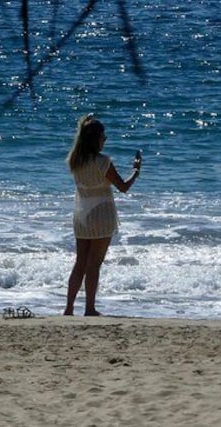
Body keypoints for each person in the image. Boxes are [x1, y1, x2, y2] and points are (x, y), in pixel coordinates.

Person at [64, 114, 142, 316]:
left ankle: (69, 307)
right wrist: (136, 172)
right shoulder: (103, 162)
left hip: (81, 214)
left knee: (80, 263)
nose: (105, 139)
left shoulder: (75, 160)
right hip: (101, 215)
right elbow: (123, 187)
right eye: (102, 136)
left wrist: (82, 124)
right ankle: (89, 308)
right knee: (94, 264)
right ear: (95, 139)